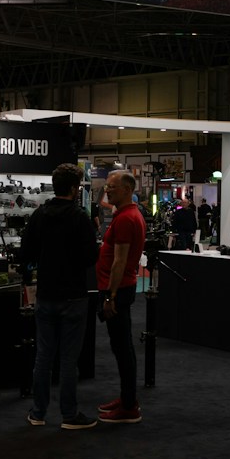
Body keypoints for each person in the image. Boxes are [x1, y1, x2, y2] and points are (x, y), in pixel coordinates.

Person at [18, 163, 99, 430]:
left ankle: (38, 412)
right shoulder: (80, 217)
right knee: (68, 359)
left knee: (43, 356)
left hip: (46, 293)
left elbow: (26, 253)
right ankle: (69, 414)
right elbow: (90, 257)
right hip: (73, 294)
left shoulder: (39, 215)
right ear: (76, 189)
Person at [96, 169, 146, 424]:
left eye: (112, 187)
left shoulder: (127, 218)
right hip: (119, 287)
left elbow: (120, 261)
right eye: (107, 186)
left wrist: (110, 296)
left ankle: (129, 406)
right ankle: (127, 399)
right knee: (120, 346)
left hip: (118, 289)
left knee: (123, 348)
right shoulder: (125, 215)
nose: (107, 190)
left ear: (127, 190)